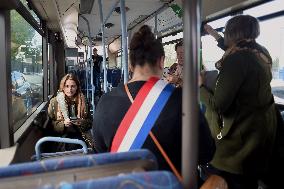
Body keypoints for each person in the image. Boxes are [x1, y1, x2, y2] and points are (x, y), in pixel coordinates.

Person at [93, 25, 215, 175]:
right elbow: (205, 154)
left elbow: (100, 153)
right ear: (161, 61)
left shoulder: (105, 101)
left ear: (130, 65)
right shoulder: (182, 100)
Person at [199, 15, 278, 189]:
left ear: (232, 33)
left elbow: (218, 106)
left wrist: (200, 87)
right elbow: (236, 48)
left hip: (238, 147)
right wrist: (213, 34)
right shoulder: (261, 53)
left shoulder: (236, 60)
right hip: (259, 135)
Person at [48, 73, 93, 151]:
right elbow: (50, 125)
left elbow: (90, 122)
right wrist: (63, 124)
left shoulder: (84, 101)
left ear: (77, 87)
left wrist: (81, 122)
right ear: (63, 87)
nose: (70, 89)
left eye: (73, 86)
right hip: (61, 137)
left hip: (81, 134)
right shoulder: (54, 102)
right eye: (67, 86)